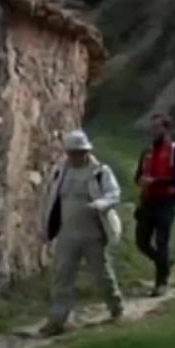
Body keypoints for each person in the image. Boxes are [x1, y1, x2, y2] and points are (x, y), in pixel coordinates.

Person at [38, 129, 125, 337]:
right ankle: (58, 319)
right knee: (62, 276)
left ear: (86, 151)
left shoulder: (100, 172)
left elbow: (114, 194)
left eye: (80, 152)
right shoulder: (61, 171)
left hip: (93, 233)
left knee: (101, 274)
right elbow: (53, 199)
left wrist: (100, 204)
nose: (76, 156)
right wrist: (48, 226)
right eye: (72, 153)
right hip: (68, 233)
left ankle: (115, 306)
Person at [134, 115, 175, 297]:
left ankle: (161, 283)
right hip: (147, 201)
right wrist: (141, 181)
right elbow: (137, 176)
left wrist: (156, 182)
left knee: (162, 241)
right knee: (141, 242)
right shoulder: (147, 152)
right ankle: (164, 263)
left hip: (166, 202)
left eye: (157, 128)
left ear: (167, 130)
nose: (153, 131)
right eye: (152, 128)